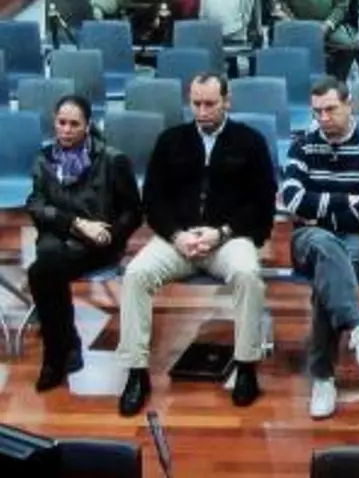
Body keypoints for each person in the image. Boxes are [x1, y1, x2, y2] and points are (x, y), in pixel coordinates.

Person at [116, 73, 278, 417]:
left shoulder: (250, 142)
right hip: (178, 239)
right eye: (196, 103)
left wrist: (221, 233)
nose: (202, 111)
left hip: (228, 238)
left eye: (210, 104)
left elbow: (263, 203)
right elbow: (152, 200)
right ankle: (136, 372)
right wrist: (178, 235)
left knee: (248, 275)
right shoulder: (170, 140)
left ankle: (246, 366)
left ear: (227, 102)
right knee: (135, 275)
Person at [280, 76, 359, 419]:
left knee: (326, 280)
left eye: (330, 109)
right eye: (317, 112)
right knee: (325, 249)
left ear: (349, 104)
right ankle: (358, 326)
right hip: (308, 240)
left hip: (358, 240)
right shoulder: (302, 147)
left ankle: (323, 378)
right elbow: (292, 198)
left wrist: (320, 212)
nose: (323, 118)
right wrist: (347, 201)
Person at [25, 95, 143, 393]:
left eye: (74, 124)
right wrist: (76, 223)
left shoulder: (112, 160)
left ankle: (56, 354)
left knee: (41, 271)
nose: (65, 130)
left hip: (97, 242)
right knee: (47, 263)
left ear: (88, 125)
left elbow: (133, 212)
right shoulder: (44, 158)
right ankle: (64, 346)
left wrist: (110, 236)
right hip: (60, 235)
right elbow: (36, 206)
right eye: (61, 122)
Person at [276, 0, 359, 81]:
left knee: (349, 46)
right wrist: (294, 22)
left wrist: (328, 24)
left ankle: (338, 82)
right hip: (297, 25)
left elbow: (341, 6)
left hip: (328, 25)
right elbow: (281, 4)